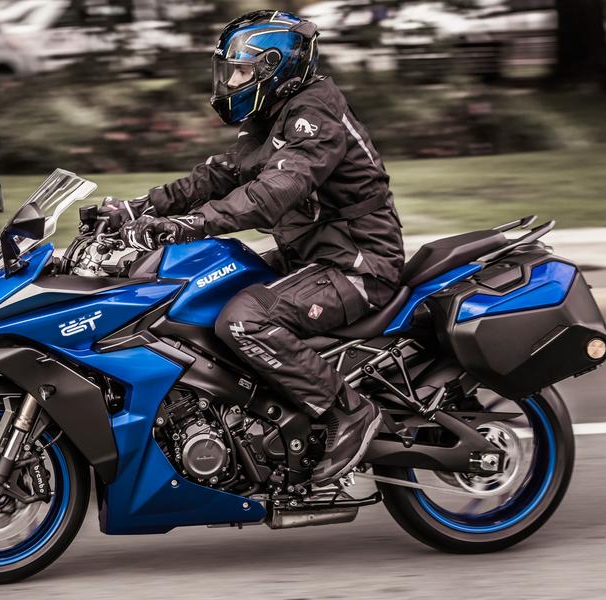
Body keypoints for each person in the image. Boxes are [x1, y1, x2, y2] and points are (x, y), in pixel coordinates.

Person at [105, 10, 404, 486]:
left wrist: (187, 225)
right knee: (196, 291)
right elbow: (219, 175)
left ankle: (346, 411)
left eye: (241, 72)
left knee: (244, 320)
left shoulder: (314, 117)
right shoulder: (269, 116)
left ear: (275, 68)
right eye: (229, 72)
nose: (230, 82)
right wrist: (137, 208)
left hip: (356, 264)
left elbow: (271, 194)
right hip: (308, 257)